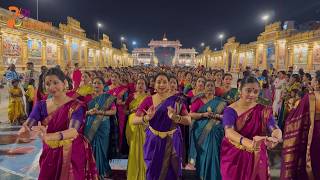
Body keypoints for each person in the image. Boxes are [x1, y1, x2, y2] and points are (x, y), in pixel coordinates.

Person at [17, 67, 97, 180]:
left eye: (55, 82)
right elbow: (28, 125)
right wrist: (24, 131)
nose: (51, 87)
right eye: (48, 84)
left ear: (64, 83)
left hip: (72, 152)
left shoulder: (76, 105)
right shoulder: (41, 105)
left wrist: (49, 136)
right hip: (50, 151)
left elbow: (73, 131)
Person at [220, 76, 282, 180]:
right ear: (240, 90)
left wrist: (275, 138)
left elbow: (274, 128)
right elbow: (229, 132)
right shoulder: (230, 110)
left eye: (256, 91)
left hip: (257, 154)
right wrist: (249, 143)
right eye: (248, 91)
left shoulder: (262, 110)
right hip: (235, 155)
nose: (252, 95)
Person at [134, 72, 191, 180]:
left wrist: (176, 118)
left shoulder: (177, 101)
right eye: (158, 82)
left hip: (172, 140)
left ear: (169, 84)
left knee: (172, 171)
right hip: (154, 140)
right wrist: (147, 118)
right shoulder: (148, 100)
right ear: (154, 85)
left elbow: (188, 120)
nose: (161, 85)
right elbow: (135, 120)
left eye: (164, 82)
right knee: (152, 169)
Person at [280, 71, 320, 180]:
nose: (311, 81)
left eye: (314, 79)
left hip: (315, 132)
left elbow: (296, 115)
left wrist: (291, 105)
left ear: (317, 83)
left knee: (313, 157)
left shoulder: (311, 97)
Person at [190, 80, 226, 180]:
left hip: (216, 133)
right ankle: (202, 175)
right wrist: (203, 115)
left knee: (214, 155)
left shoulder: (220, 102)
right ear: (204, 88)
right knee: (203, 155)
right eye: (208, 85)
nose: (209, 87)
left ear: (215, 89)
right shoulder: (198, 100)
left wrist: (217, 116)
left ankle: (214, 176)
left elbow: (226, 116)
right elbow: (191, 114)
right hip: (201, 133)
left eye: (212, 86)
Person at [84, 77, 117, 179]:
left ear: (104, 85)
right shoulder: (87, 97)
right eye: (94, 83)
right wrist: (88, 112)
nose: (96, 85)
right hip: (90, 126)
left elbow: (113, 111)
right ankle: (92, 171)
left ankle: (102, 171)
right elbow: (82, 112)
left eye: (99, 83)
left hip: (103, 126)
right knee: (91, 148)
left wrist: (100, 112)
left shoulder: (108, 97)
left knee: (103, 148)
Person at [125, 78, 148, 180]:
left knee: (143, 146)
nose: (140, 85)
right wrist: (132, 110)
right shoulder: (131, 96)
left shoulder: (149, 97)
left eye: (142, 83)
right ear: (135, 85)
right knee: (134, 146)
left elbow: (152, 110)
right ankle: (133, 169)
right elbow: (125, 111)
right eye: (138, 83)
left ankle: (144, 169)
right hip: (132, 122)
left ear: (146, 86)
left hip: (144, 122)